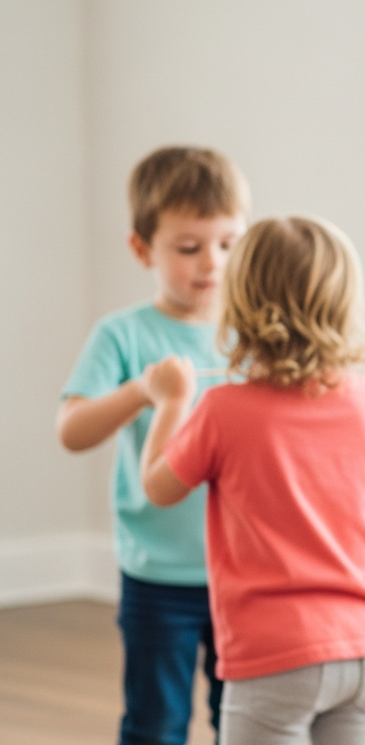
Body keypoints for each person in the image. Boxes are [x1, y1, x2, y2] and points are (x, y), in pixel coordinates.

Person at [139, 216, 365, 745]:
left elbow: (158, 487)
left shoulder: (221, 411)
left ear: (241, 307)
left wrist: (171, 402)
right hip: (362, 648)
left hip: (271, 659)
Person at [57, 145, 248, 745]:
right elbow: (73, 429)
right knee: (155, 722)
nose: (211, 262)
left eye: (226, 243)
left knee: (237, 718)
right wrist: (143, 389)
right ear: (143, 249)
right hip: (157, 573)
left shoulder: (253, 333)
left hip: (242, 571)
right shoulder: (124, 333)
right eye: (189, 247)